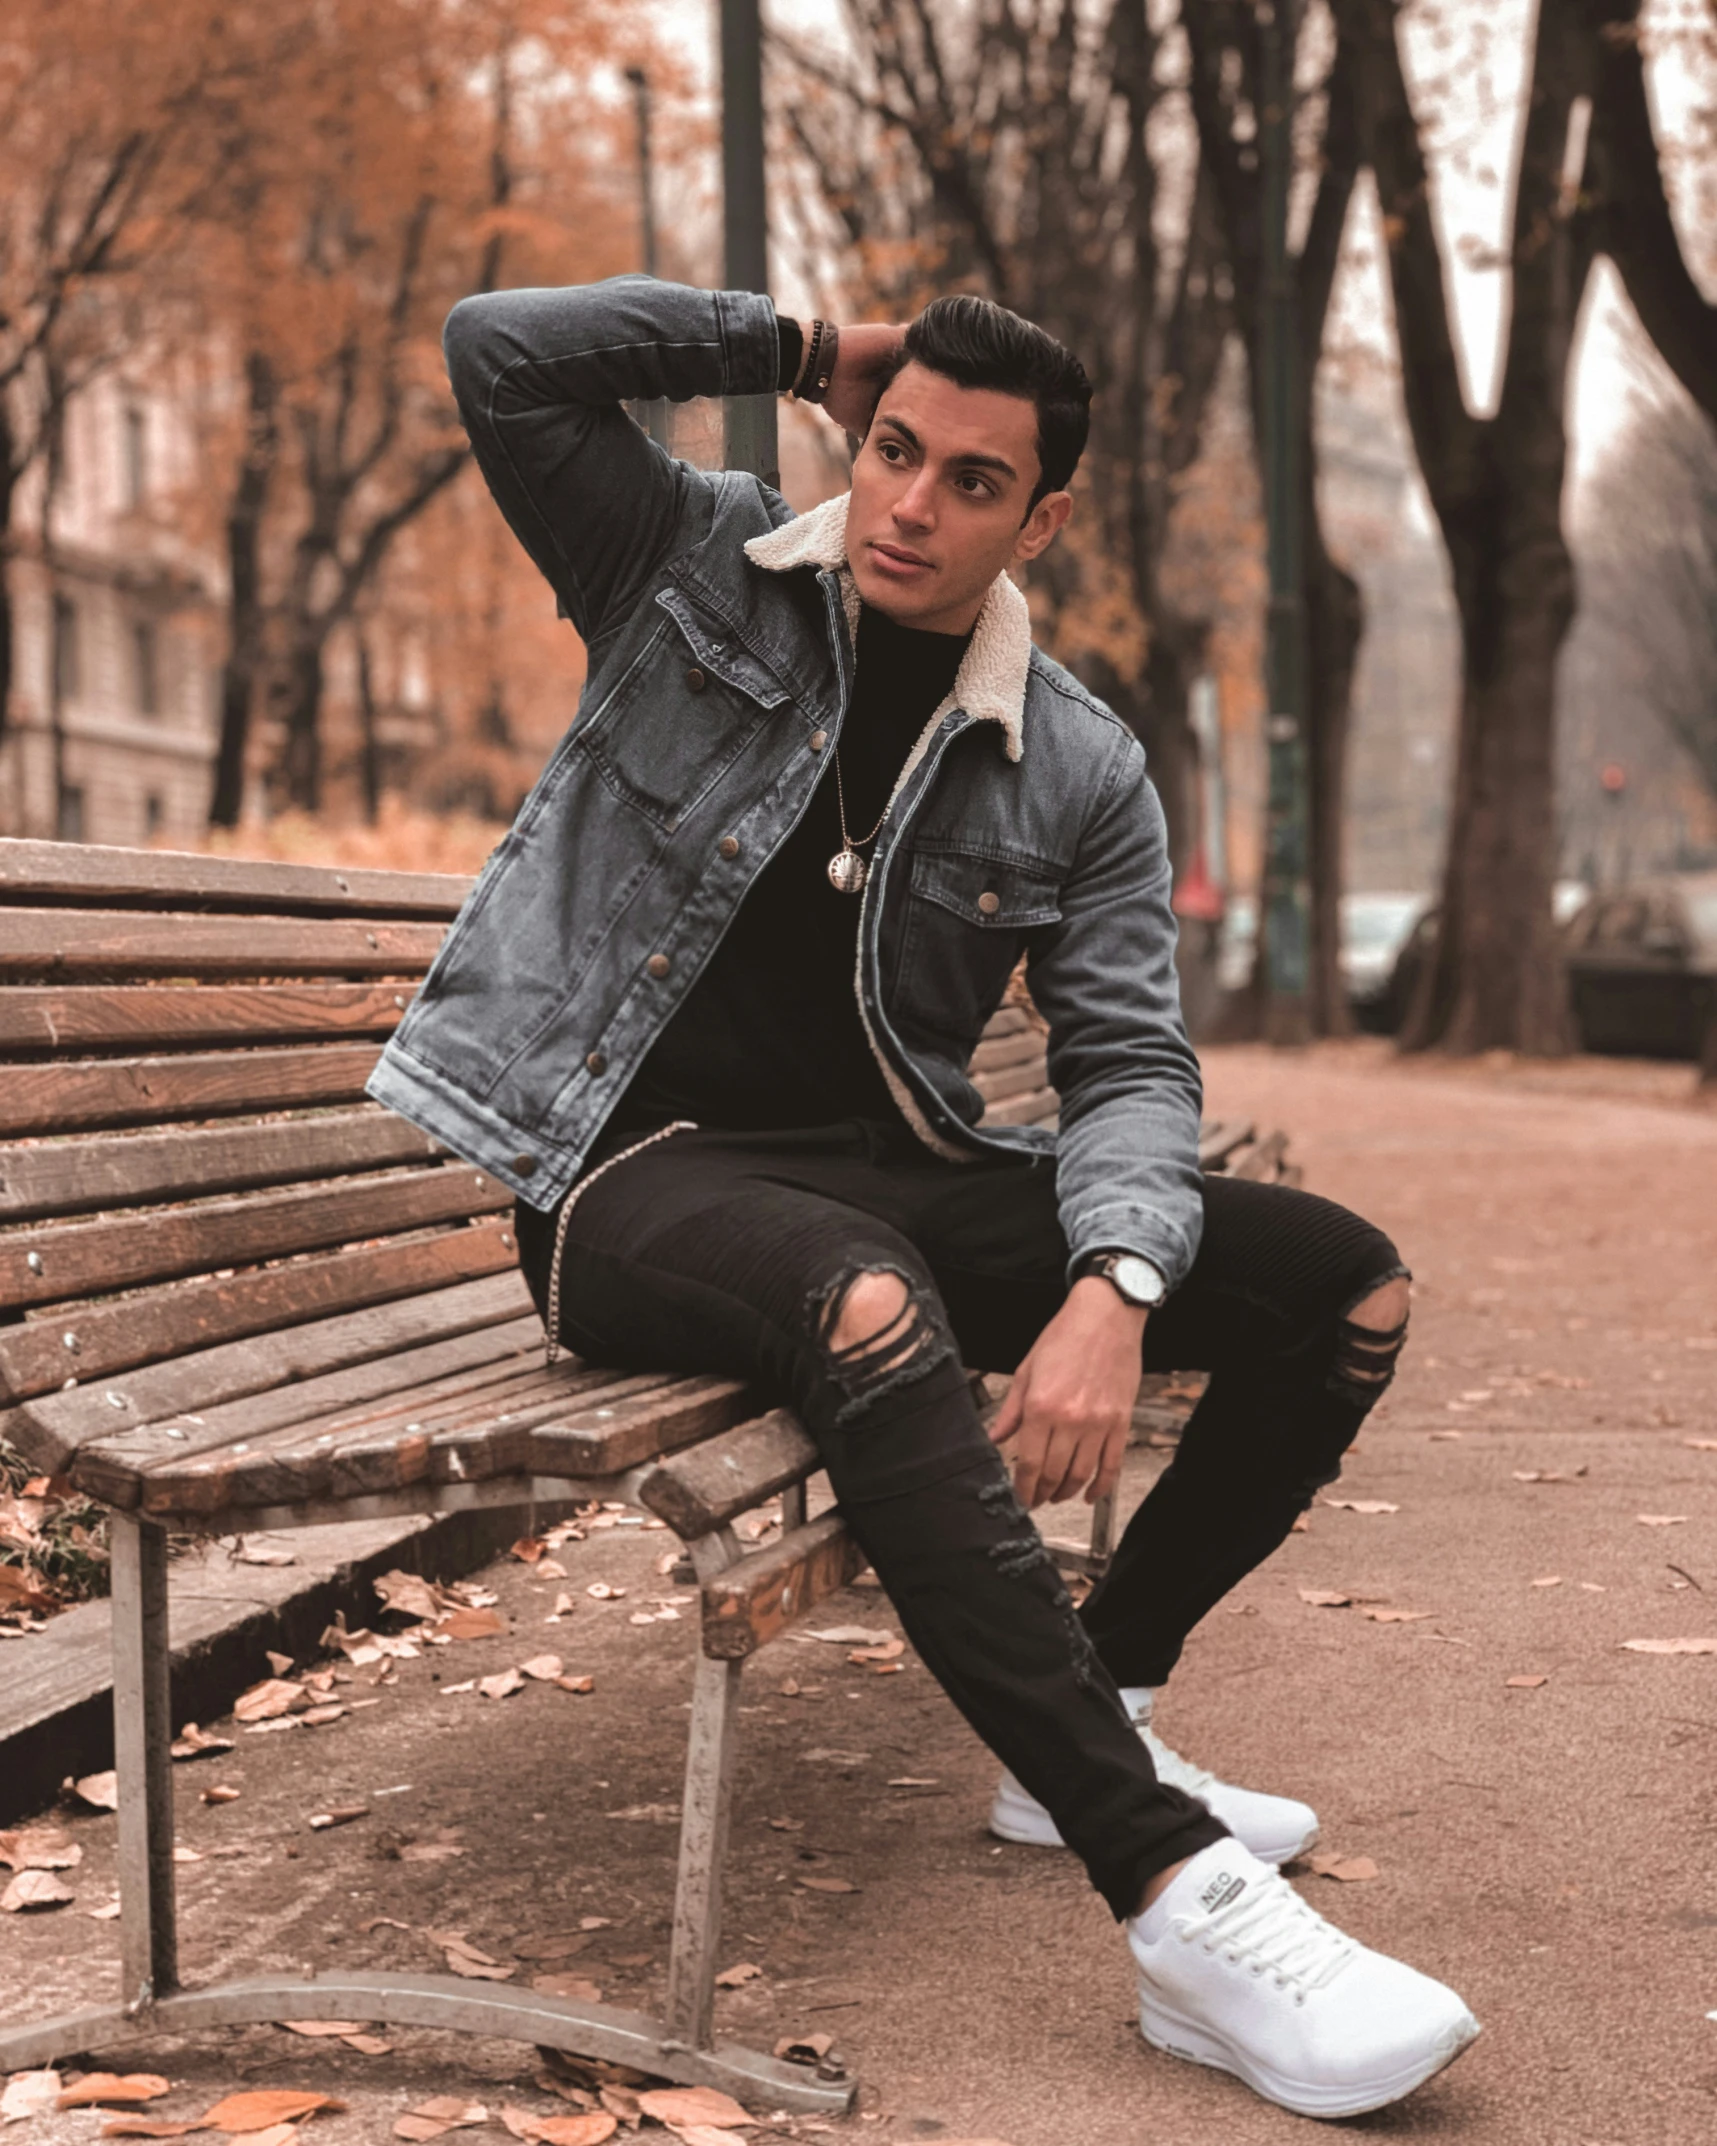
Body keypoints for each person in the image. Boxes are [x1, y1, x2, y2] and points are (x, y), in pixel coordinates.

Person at [369, 275, 1478, 2120]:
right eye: (895, 451)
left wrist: (1115, 1284)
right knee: (863, 1292)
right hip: (626, 1180)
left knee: (1340, 1284)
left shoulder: (1085, 764)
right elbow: (501, 351)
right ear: (857, 439)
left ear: (1038, 521)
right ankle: (1176, 1893)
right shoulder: (686, 559)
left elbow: (1131, 1066)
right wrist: (803, 346)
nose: (910, 505)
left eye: (973, 482)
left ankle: (1087, 1710)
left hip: (893, 1171)